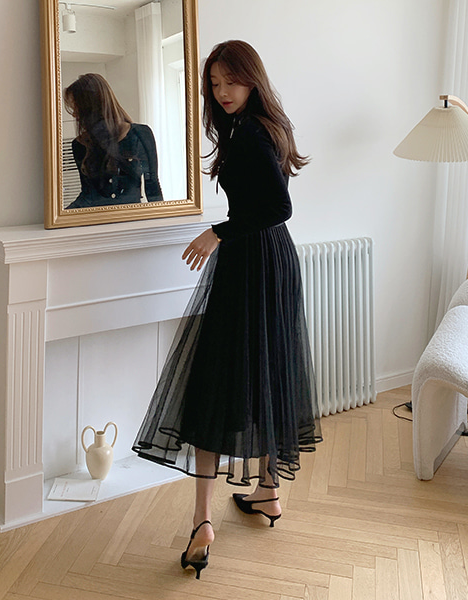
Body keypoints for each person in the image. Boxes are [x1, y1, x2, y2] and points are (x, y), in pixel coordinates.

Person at [132, 40, 322, 579]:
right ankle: (267, 492)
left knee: (216, 383)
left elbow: (279, 206)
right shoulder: (258, 127)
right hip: (268, 261)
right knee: (263, 371)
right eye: (214, 84)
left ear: (251, 78)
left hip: (253, 262)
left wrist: (218, 231)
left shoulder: (253, 132)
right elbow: (268, 205)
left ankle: (202, 522)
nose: (222, 92)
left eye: (230, 81)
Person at [63, 73, 163, 208]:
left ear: (90, 107)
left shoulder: (140, 135)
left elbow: (153, 188)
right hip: (97, 218)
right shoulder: (79, 145)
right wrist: (62, 216)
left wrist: (163, 217)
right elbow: (87, 194)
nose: (75, 114)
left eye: (77, 107)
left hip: (133, 217)